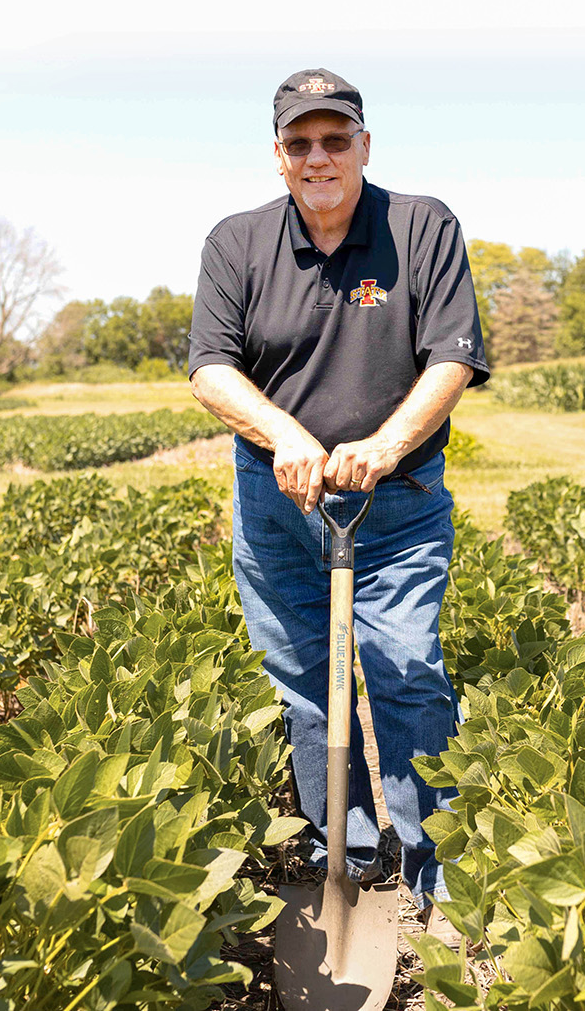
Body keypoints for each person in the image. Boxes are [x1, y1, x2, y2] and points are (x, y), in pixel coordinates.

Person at [187, 68, 488, 940]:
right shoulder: (236, 243)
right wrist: (284, 434)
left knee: (404, 670)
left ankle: (437, 873)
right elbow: (212, 365)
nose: (318, 156)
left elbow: (452, 358)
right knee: (302, 684)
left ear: (364, 144)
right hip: (278, 499)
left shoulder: (422, 227)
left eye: (334, 138)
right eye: (299, 142)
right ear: (278, 156)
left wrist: (385, 446)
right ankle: (344, 852)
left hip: (395, 498)